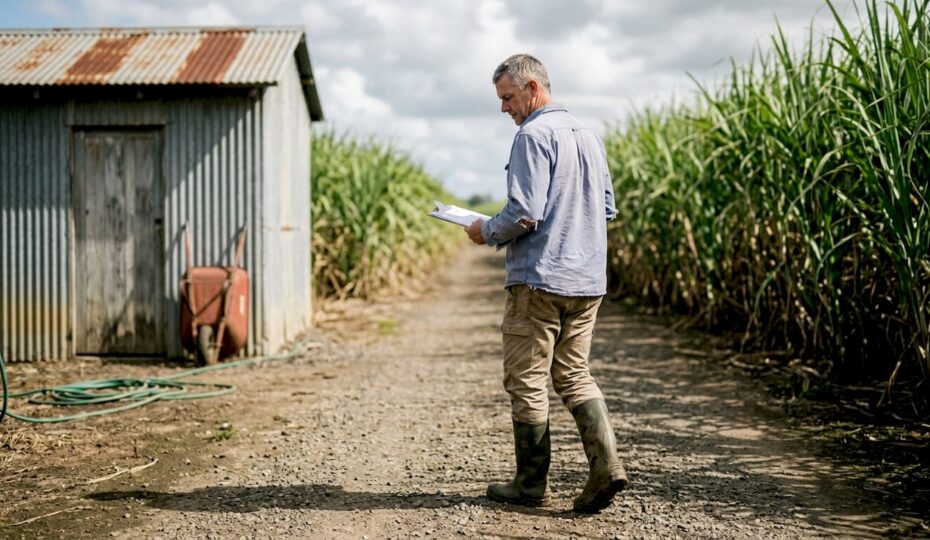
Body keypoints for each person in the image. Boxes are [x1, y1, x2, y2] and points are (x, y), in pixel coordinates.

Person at [465, 53, 628, 513]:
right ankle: (606, 467)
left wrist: (484, 231)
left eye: (508, 97)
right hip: (587, 281)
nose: (504, 109)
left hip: (538, 281)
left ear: (533, 88)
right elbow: (608, 209)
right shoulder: (589, 135)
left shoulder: (532, 135)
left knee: (527, 381)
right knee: (574, 374)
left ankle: (529, 484)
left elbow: (523, 212)